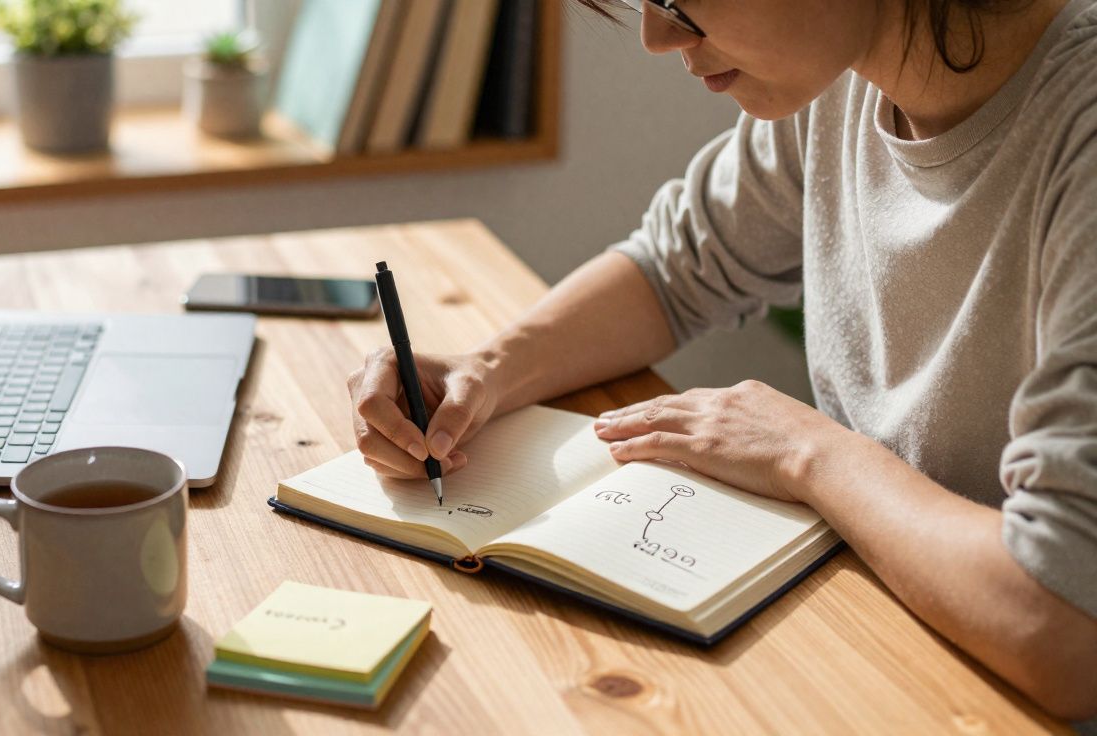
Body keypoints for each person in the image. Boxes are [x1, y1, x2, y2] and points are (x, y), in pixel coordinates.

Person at [346, 0, 1097, 722]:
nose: (654, 36)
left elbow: (1065, 628)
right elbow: (674, 269)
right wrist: (487, 369)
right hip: (886, 643)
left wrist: (811, 454)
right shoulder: (847, 78)